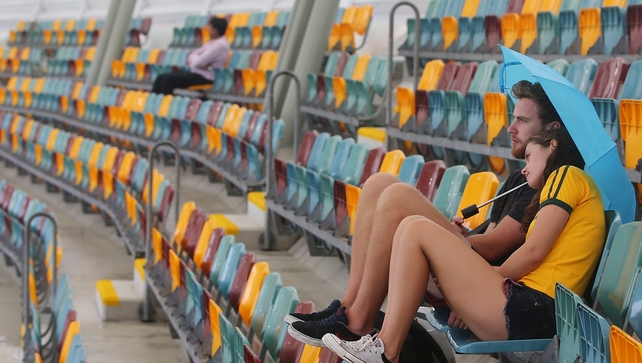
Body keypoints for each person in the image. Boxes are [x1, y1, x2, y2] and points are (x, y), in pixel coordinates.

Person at [285, 80, 564, 346]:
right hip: (469, 271)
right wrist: (460, 235)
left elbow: (492, 248)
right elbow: (487, 237)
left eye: (523, 121)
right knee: (377, 184)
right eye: (513, 118)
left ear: (552, 130)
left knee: (399, 197)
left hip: (479, 289)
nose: (511, 127)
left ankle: (359, 320)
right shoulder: (518, 179)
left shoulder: (546, 183)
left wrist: (445, 235)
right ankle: (347, 308)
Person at [321, 128, 605, 363]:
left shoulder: (566, 175)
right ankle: (385, 346)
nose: (526, 166)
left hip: (533, 308)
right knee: (411, 227)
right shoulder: (567, 185)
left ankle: (387, 349)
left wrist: (482, 284)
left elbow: (534, 251)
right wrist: (473, 289)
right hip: (531, 307)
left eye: (530, 156)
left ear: (552, 145)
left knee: (417, 228)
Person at [151, 17, 230, 95]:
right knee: (161, 77)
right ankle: (154, 102)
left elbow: (196, 62)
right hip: (197, 72)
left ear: (215, 30)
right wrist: (198, 61)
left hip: (205, 77)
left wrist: (197, 60)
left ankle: (165, 104)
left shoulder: (220, 45)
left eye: (210, 27)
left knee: (168, 80)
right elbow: (192, 55)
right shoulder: (212, 42)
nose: (208, 30)